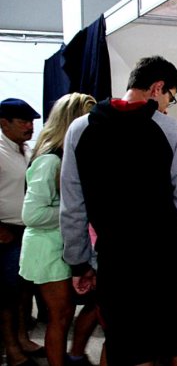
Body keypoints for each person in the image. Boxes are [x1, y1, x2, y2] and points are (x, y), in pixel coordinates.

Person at [60, 56, 177, 366]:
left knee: (128, 347)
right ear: (158, 87)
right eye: (170, 97)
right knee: (176, 344)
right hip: (165, 262)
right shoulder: (170, 130)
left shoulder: (79, 129)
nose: (167, 107)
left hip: (115, 262)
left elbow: (72, 206)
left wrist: (78, 262)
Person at [20, 93, 99, 366]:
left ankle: (75, 355)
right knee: (61, 317)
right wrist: (75, 212)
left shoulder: (69, 157)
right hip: (47, 248)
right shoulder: (50, 161)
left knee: (89, 306)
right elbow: (32, 214)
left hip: (65, 246)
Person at [0, 98, 44, 366]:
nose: (30, 126)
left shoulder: (24, 149)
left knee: (23, 290)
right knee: (7, 295)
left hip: (25, 230)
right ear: (4, 123)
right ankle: (12, 349)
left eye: (32, 122)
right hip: (6, 232)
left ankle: (22, 338)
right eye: (24, 121)